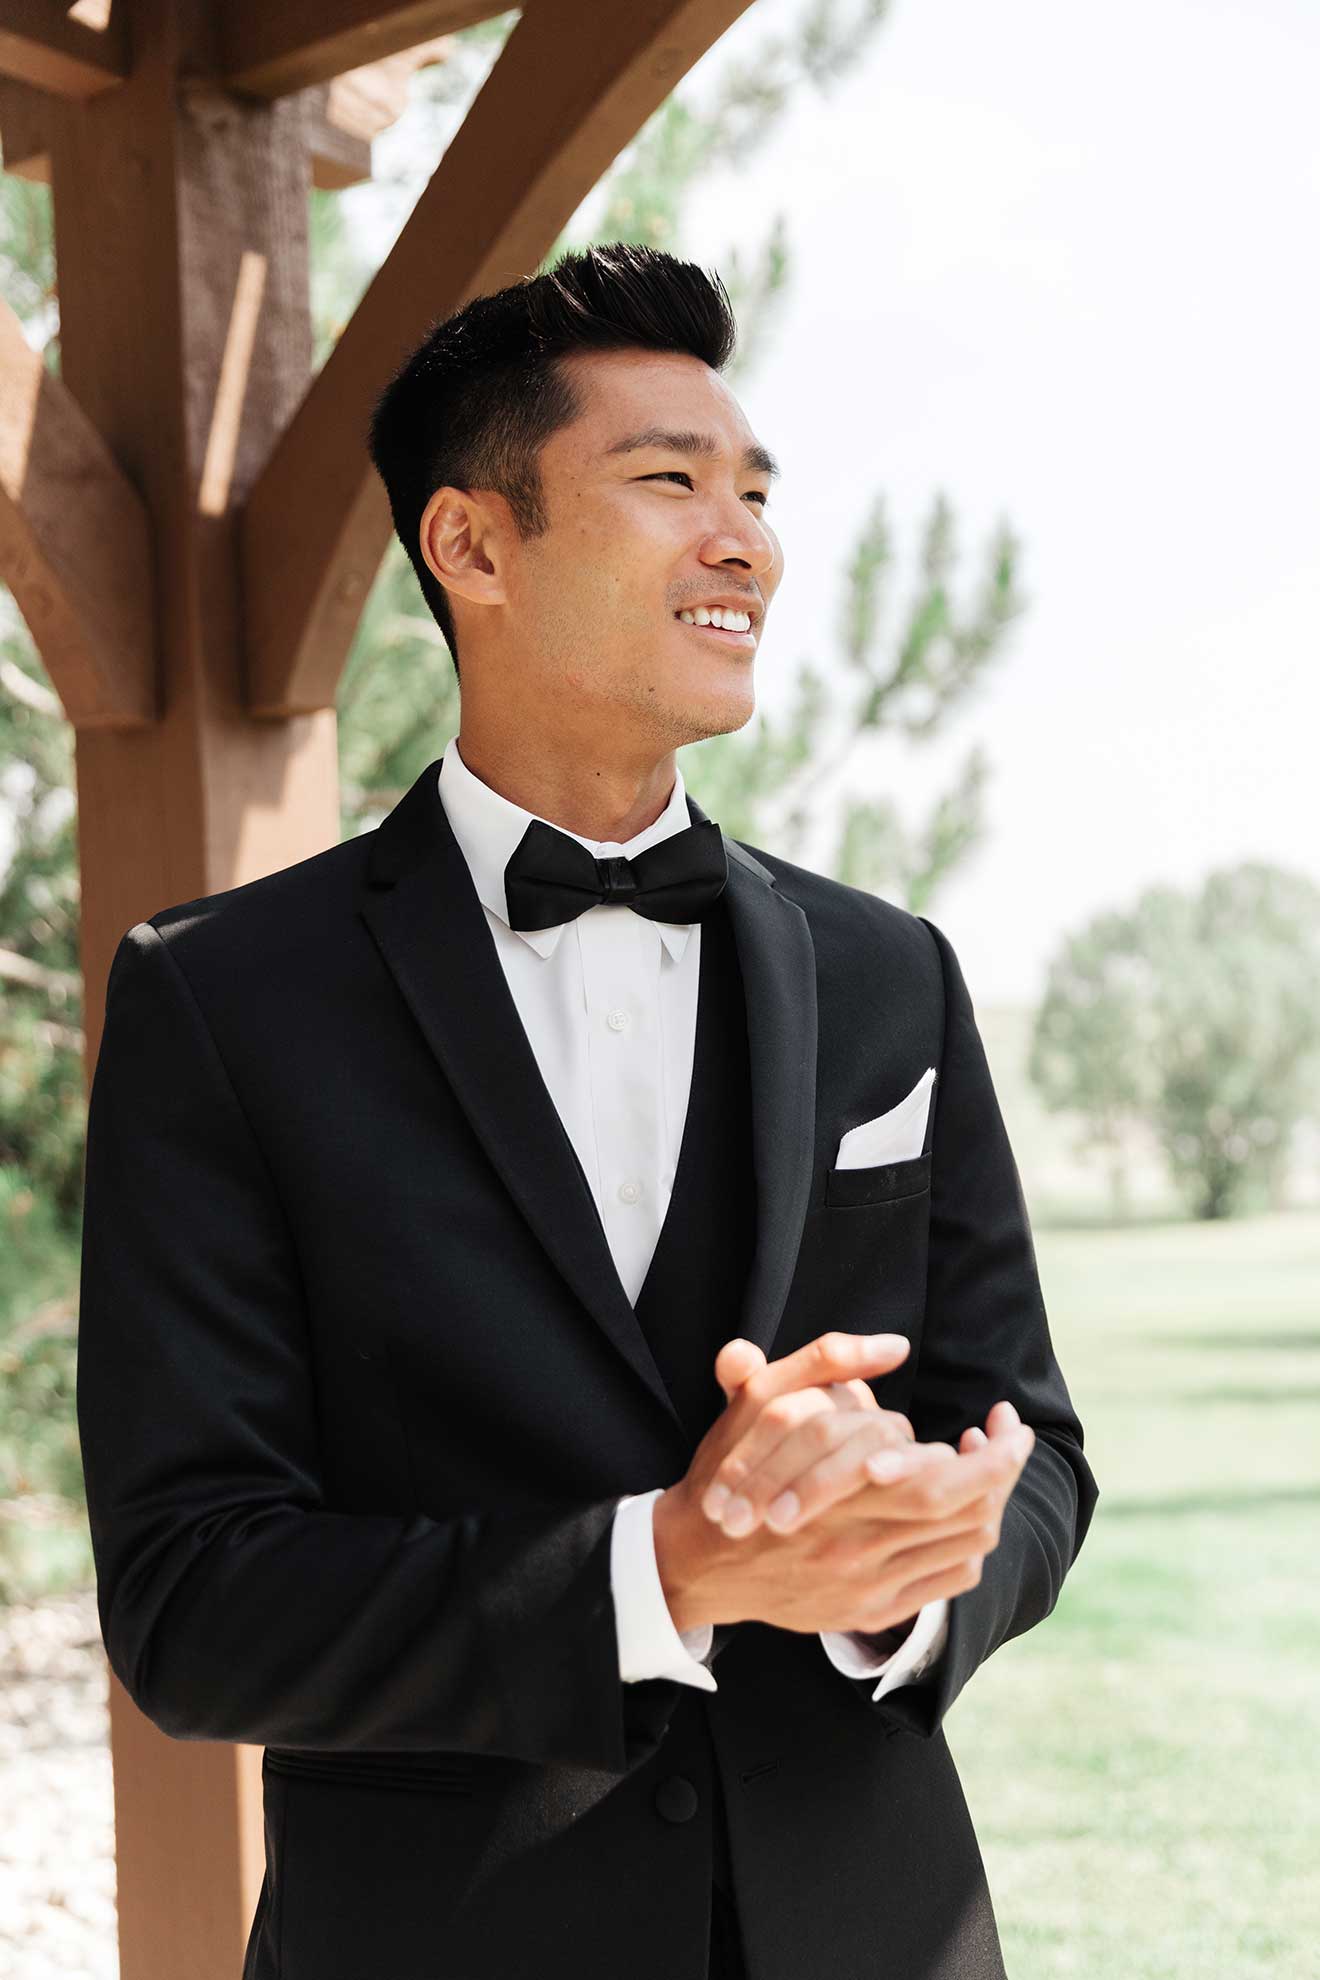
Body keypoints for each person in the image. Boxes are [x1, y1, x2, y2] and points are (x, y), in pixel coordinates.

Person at [76, 242, 1098, 1980]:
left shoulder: (889, 975)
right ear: (471, 545)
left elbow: (1036, 1452)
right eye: (669, 483)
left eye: (757, 491)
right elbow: (193, 1601)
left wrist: (906, 1573)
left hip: (875, 1931)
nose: (747, 541)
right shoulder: (223, 999)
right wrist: (661, 1571)